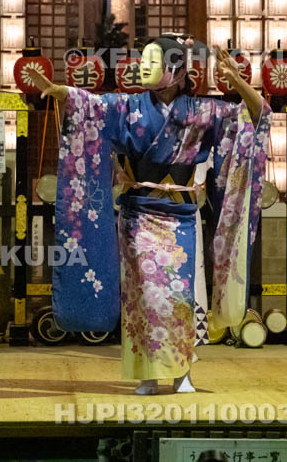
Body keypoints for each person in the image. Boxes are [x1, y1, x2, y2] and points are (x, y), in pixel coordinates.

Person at [30, 36, 270, 395]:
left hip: (180, 218)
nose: (142, 65)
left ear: (175, 73)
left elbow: (257, 114)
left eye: (152, 61)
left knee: (178, 298)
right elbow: (88, 106)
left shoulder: (202, 111)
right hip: (138, 215)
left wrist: (236, 81)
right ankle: (147, 374)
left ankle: (182, 374)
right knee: (142, 295)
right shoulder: (127, 107)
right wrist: (59, 91)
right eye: (143, 59)